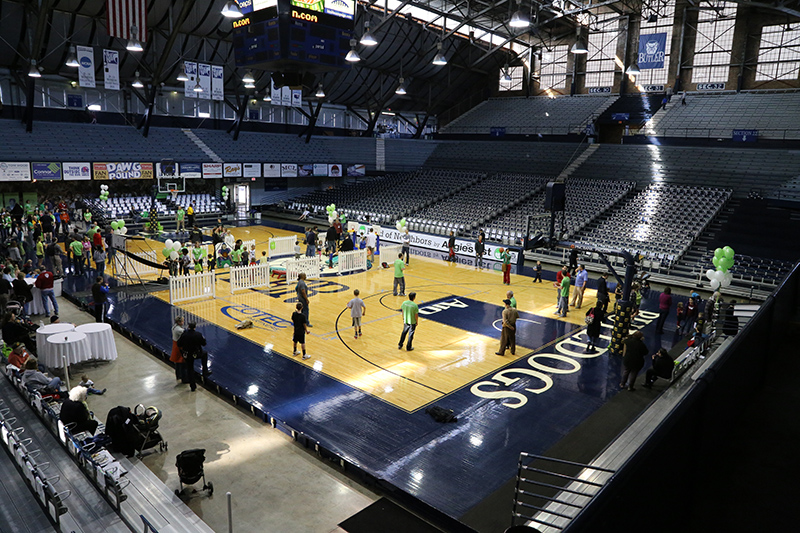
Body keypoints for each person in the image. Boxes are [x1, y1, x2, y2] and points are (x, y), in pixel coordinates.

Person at [177, 322, 208, 391]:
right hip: (196, 353)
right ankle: (205, 371)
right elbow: (204, 343)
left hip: (187, 354)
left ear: (188, 327)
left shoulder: (184, 335)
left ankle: (192, 386)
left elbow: (179, 344)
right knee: (204, 354)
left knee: (190, 369)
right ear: (195, 327)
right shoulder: (198, 334)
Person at [171, 316, 187, 382]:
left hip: (175, 344)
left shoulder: (174, 327)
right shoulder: (179, 330)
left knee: (177, 362)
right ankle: (183, 377)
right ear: (179, 322)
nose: (183, 322)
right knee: (181, 362)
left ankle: (178, 375)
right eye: (182, 321)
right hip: (179, 346)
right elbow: (185, 334)